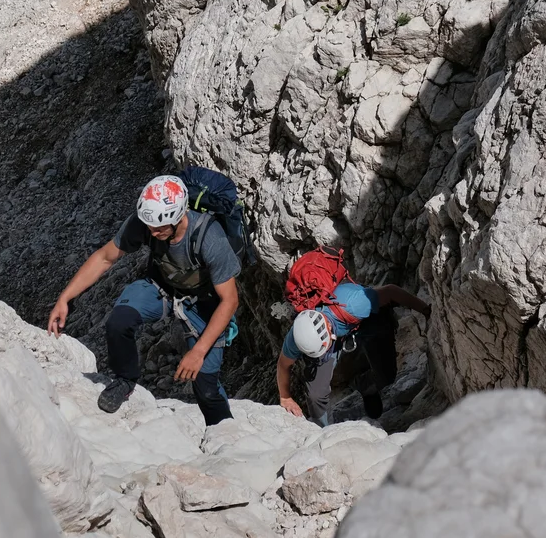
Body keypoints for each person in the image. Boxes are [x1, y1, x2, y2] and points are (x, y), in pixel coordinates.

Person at [48, 175, 241, 426]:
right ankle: (125, 381)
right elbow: (105, 258)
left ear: (179, 216)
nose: (153, 232)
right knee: (119, 322)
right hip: (161, 286)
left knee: (205, 384)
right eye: (150, 227)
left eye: (160, 228)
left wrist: (198, 351)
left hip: (205, 302)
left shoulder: (209, 238)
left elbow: (229, 301)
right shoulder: (147, 223)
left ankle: (224, 429)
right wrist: (65, 298)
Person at [275, 280, 431, 425]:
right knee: (316, 394)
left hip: (365, 320)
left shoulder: (357, 305)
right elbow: (283, 364)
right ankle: (320, 428)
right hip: (336, 329)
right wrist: (286, 397)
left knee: (387, 375)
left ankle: (366, 386)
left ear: (329, 332)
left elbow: (391, 291)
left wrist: (425, 310)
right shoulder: (298, 336)